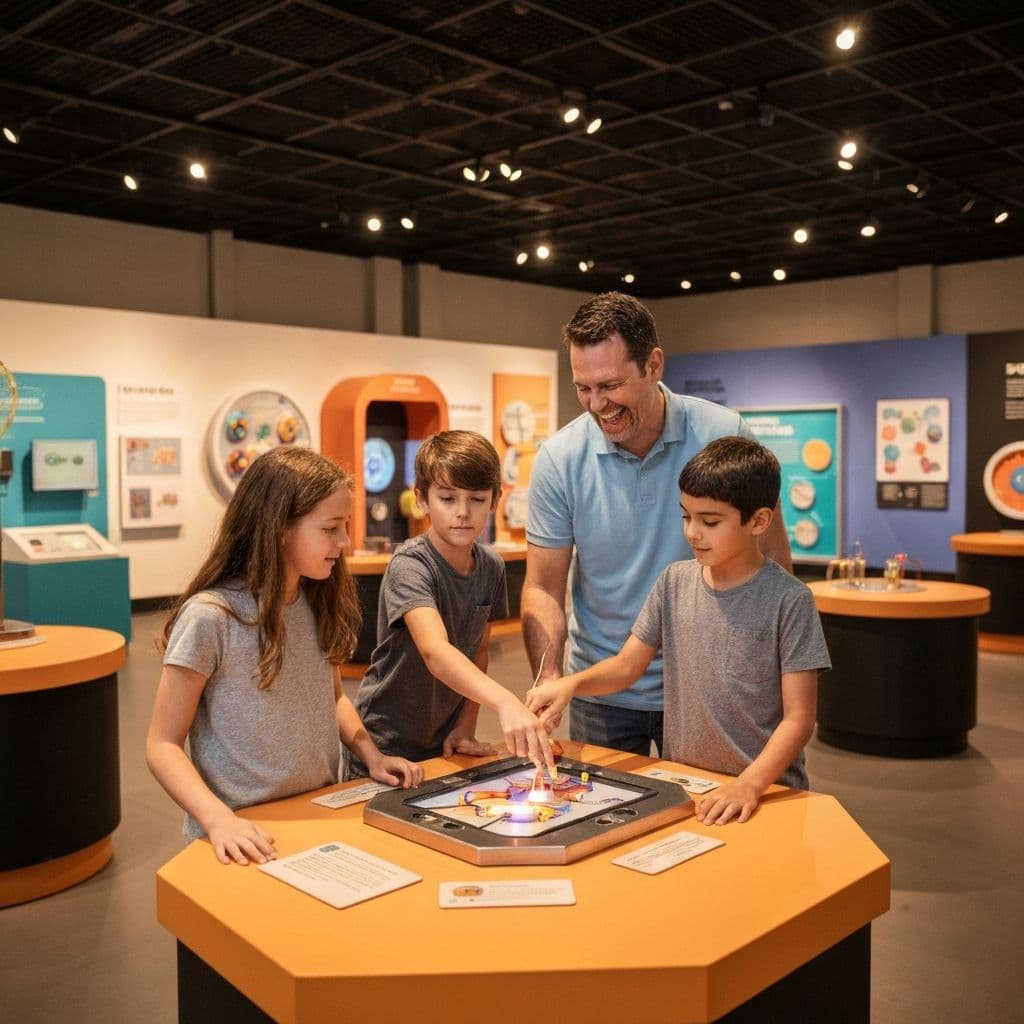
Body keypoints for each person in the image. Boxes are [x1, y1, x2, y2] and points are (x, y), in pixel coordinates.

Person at [523, 291, 793, 756]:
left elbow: (772, 563)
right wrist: (548, 673)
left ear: (653, 365)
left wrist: (766, 674)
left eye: (610, 385)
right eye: (583, 388)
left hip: (708, 686)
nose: (596, 404)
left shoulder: (724, 434)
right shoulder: (559, 459)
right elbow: (544, 587)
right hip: (600, 689)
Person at [527, 436, 829, 824]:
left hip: (767, 792)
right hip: (691, 786)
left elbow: (799, 719)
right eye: (686, 517)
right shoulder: (674, 582)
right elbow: (627, 666)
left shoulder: (790, 600)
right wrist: (570, 684)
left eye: (710, 521)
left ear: (758, 521)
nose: (692, 533)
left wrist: (749, 785)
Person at [146, 446, 423, 867]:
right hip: (242, 835)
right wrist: (218, 820)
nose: (345, 541)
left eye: (345, 526)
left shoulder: (317, 601)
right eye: (330, 528)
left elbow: (333, 698)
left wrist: (372, 756)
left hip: (319, 817)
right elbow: (162, 744)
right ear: (279, 529)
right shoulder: (210, 617)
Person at [349, 430, 555, 778]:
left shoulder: (491, 567)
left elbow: (479, 652)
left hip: (441, 743)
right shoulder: (411, 565)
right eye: (447, 498)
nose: (462, 512)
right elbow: (435, 651)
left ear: (494, 501)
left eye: (476, 499)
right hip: (384, 743)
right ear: (422, 499)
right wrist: (505, 701)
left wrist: (466, 725)